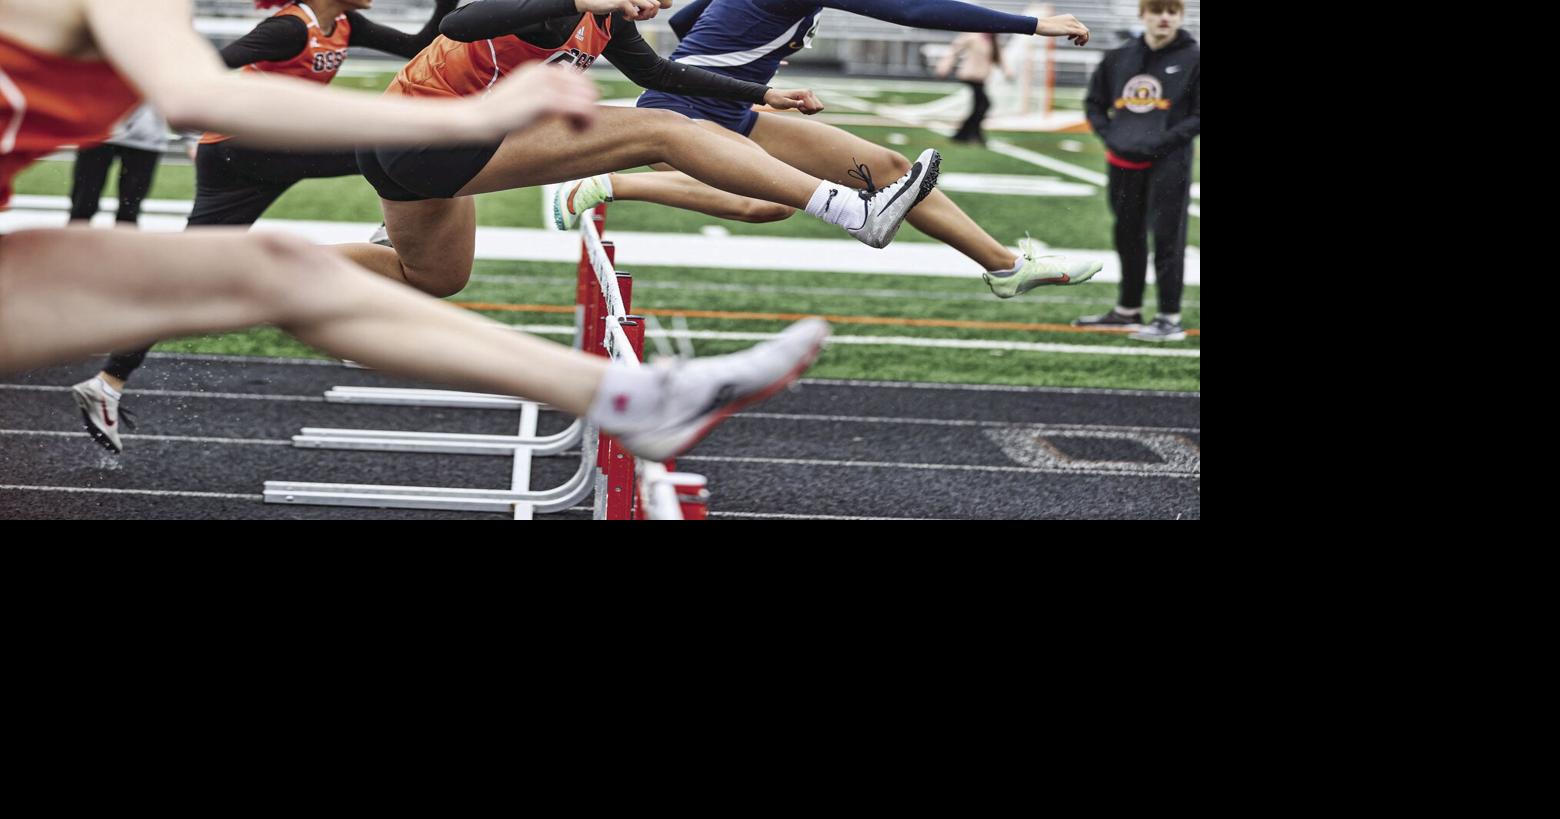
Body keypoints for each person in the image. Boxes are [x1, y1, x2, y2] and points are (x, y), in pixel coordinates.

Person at [1, 0, 830, 463]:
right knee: (262, 261)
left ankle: (632, 398)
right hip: (243, 148)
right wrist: (477, 115)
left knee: (280, 269)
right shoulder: (256, 22)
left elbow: (435, 29)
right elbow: (202, 95)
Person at [335, 0, 942, 301]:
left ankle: (263, 263)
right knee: (662, 130)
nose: (658, 6)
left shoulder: (608, 22)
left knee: (436, 277)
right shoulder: (560, 9)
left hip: (406, 148)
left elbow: (664, 73)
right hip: (427, 140)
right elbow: (461, 23)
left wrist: (765, 93)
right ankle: (852, 211)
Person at [73, 0, 460, 448]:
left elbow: (419, 45)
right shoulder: (288, 30)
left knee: (185, 274)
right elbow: (210, 68)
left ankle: (107, 382)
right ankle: (392, 232)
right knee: (396, 141)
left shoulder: (345, 23)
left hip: (248, 154)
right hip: (247, 146)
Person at [552, 0, 1100, 299]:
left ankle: (1005, 267)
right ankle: (610, 183)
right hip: (681, 111)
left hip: (735, 108)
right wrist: (1033, 24)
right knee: (765, 204)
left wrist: (756, 58)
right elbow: (910, 11)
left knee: (886, 169)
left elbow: (684, 20)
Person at [1072, 0, 1198, 342]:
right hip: (1122, 159)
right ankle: (1127, 310)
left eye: (1172, 12)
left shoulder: (1194, 58)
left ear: (1180, 17)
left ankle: (1168, 317)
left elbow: (1197, 116)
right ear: (1143, 15)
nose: (1164, 18)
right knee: (1127, 233)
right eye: (1157, 11)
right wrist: (1110, 135)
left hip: (1170, 161)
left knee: (1167, 238)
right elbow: (1094, 104)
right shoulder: (1118, 57)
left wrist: (1162, 141)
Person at [67, 102, 176, 227]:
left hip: (146, 134)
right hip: (99, 130)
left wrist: (192, 140)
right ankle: (76, 238)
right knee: (83, 203)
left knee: (130, 207)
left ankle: (124, 241)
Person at [936, 32, 1009, 147]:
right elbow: (954, 49)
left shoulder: (992, 40)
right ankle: (972, 134)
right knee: (983, 105)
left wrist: (1007, 71)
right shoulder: (973, 36)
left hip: (981, 78)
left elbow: (999, 58)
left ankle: (964, 135)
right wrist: (944, 65)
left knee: (980, 106)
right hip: (970, 76)